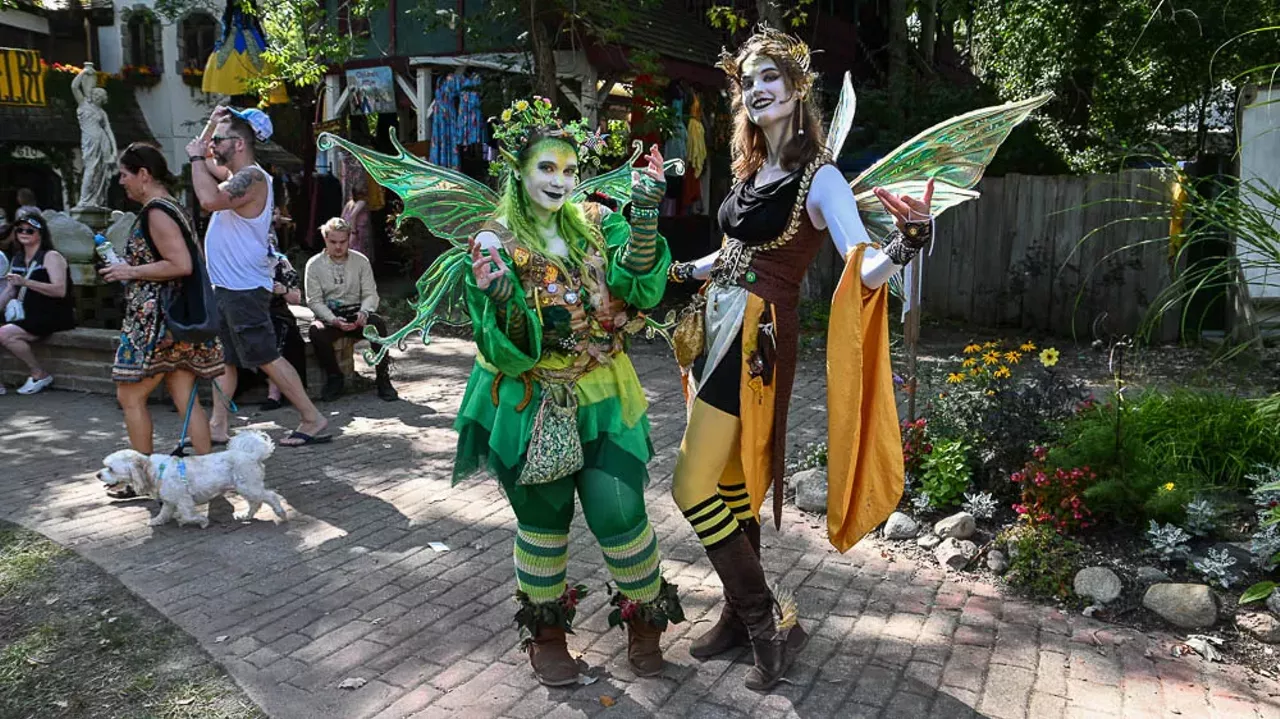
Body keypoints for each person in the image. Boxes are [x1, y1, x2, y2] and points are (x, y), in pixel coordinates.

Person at [664, 27, 935, 690]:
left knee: (690, 486)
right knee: (729, 486)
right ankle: (738, 615)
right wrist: (662, 272)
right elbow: (727, 257)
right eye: (748, 81)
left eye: (769, 78)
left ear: (797, 88)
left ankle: (768, 624)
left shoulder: (823, 178)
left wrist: (906, 243)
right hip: (716, 326)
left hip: (754, 339)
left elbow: (861, 267)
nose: (756, 89)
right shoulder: (755, 171)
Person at [187, 106, 329, 446]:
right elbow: (205, 158)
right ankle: (218, 424)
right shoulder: (236, 175)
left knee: (266, 356)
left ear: (238, 144)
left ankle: (312, 418)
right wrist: (210, 125)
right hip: (227, 287)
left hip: (243, 289)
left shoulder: (250, 178)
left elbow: (207, 198)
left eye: (219, 140)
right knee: (226, 359)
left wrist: (195, 158)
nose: (211, 146)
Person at [104, 143, 225, 496]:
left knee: (129, 397)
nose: (121, 181)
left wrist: (129, 269)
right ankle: (209, 478)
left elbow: (182, 265)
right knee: (186, 397)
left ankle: (138, 478)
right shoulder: (173, 206)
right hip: (177, 320)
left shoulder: (156, 211)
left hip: (156, 323)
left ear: (144, 174)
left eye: (125, 174)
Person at [304, 217, 397, 402]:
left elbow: (370, 293)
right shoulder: (314, 265)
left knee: (378, 325)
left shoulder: (360, 261)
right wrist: (333, 319)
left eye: (342, 242)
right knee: (316, 332)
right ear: (325, 240)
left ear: (349, 240)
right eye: (333, 242)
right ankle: (335, 377)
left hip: (357, 313)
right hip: (331, 316)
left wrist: (364, 312)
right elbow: (314, 301)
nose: (338, 247)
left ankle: (383, 379)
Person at [0, 211, 76, 395]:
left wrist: (26, 282)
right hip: (26, 312)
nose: (24, 233)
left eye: (30, 230)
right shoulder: (18, 258)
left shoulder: (51, 256)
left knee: (4, 333)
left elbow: (59, 290)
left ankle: (38, 373)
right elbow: (11, 290)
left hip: (52, 313)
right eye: (20, 230)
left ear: (41, 233)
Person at [261, 244, 306, 411]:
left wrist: (283, 289)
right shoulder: (238, 261)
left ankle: (274, 393)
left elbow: (296, 299)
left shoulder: (281, 262)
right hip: (249, 312)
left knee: (276, 328)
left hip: (277, 313)